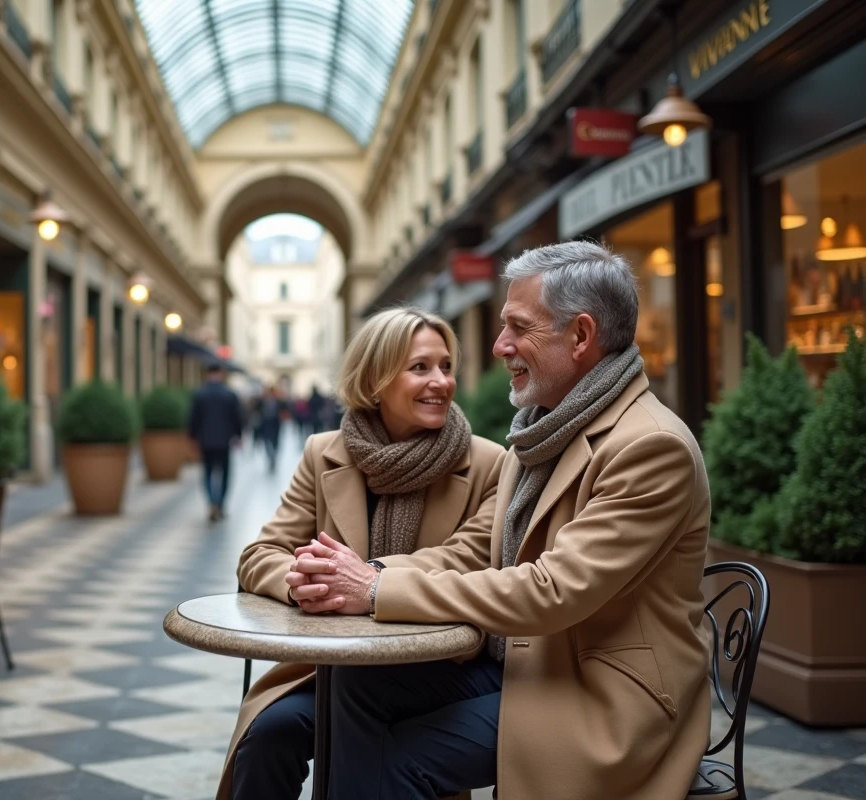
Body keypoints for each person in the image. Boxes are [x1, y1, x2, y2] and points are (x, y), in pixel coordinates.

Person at [292, 241, 712, 799]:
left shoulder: (650, 446)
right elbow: (475, 553)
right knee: (351, 682)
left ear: (581, 336)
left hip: (601, 692)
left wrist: (374, 589)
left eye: (518, 327)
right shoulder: (542, 430)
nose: (499, 346)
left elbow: (551, 591)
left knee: (395, 763)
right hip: (527, 661)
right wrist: (358, 574)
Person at [217, 308, 508, 800]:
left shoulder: (488, 463)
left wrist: (367, 581)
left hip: (437, 668)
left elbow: (468, 557)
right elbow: (259, 553)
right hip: (331, 664)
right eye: (420, 367)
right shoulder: (324, 452)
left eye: (445, 366)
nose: (441, 381)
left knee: (358, 727)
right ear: (375, 380)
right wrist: (303, 579)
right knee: (268, 734)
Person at [188, 363, 247, 522]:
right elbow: (238, 417)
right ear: (221, 374)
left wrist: (193, 438)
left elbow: (193, 418)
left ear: (207, 374)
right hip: (224, 441)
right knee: (225, 474)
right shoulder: (229, 394)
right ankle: (220, 503)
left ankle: (212, 502)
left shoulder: (200, 394)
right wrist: (239, 436)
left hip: (206, 441)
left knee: (207, 472)